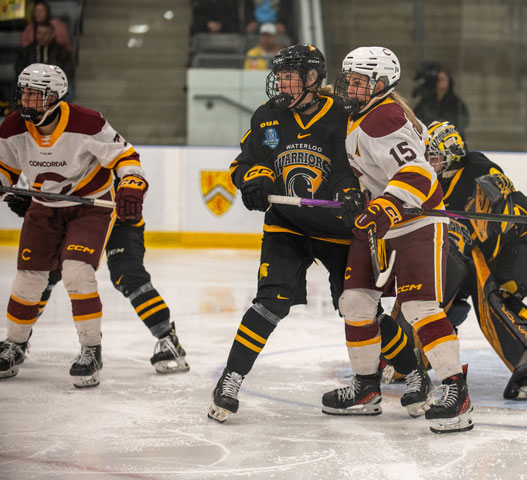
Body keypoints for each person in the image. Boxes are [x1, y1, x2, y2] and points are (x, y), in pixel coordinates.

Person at [207, 44, 428, 423]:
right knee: (269, 302)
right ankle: (230, 380)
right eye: (279, 77)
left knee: (360, 307)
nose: (280, 84)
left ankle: (416, 375)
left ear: (312, 80)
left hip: (337, 229)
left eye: (289, 77)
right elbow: (244, 162)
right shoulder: (267, 116)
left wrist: (348, 191)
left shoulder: (343, 115)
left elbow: (356, 164)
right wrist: (253, 179)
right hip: (286, 225)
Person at [323, 46, 473, 434]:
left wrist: (385, 207)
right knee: (355, 301)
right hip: (380, 223)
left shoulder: (384, 117)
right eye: (349, 80)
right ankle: (366, 388)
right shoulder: (365, 112)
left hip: (415, 221)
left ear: (381, 84)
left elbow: (420, 173)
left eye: (359, 82)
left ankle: (456, 392)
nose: (350, 87)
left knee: (419, 307)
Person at [391, 121, 527, 400]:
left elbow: (501, 224)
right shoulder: (434, 180)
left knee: (496, 297)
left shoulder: (478, 169)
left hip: (523, 243)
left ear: (453, 153)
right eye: (427, 156)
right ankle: (404, 356)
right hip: (484, 250)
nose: (430, 162)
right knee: (426, 284)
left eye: (435, 156)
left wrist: (500, 203)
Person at [0, 64, 146, 387]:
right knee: (28, 278)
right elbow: (5, 169)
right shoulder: (12, 128)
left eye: (34, 96)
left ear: (54, 98)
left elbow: (125, 156)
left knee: (77, 272)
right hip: (43, 207)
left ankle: (91, 350)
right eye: (23, 93)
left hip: (89, 207)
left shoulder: (87, 122)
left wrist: (132, 184)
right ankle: (14, 344)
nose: (26, 102)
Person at [4, 185, 189, 375]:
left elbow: (125, 167)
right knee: (46, 270)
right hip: (72, 214)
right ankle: (18, 339)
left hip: (115, 213)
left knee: (127, 274)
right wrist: (40, 201)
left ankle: (168, 338)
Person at [16, 22, 75, 99]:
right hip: (30, 85)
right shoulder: (27, 51)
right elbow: (19, 69)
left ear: (52, 35)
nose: (42, 36)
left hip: (54, 86)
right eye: (39, 33)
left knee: (68, 92)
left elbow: (68, 72)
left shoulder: (61, 52)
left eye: (45, 33)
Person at [413, 65, 469, 137]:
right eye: (438, 79)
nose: (439, 81)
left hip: (450, 138)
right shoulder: (427, 100)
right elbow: (416, 117)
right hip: (431, 137)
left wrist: (444, 123)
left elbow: (464, 120)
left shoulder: (455, 102)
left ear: (449, 82)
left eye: (442, 79)